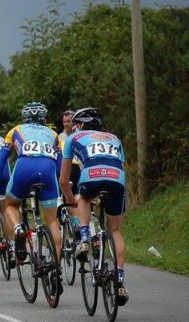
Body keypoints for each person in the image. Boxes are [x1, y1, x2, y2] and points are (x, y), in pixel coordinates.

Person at [0, 102, 63, 293]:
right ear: (44, 119)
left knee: (10, 205)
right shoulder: (54, 135)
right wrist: (56, 185)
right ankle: (56, 268)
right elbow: (60, 166)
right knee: (52, 221)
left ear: (24, 119)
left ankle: (18, 229)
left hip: (24, 168)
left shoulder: (15, 130)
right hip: (48, 172)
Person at [59, 107, 129, 305]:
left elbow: (64, 181)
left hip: (91, 175)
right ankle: (120, 283)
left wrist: (71, 200)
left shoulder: (73, 138)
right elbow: (120, 169)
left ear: (79, 125)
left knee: (82, 198)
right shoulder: (114, 138)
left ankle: (83, 238)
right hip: (117, 179)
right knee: (115, 231)